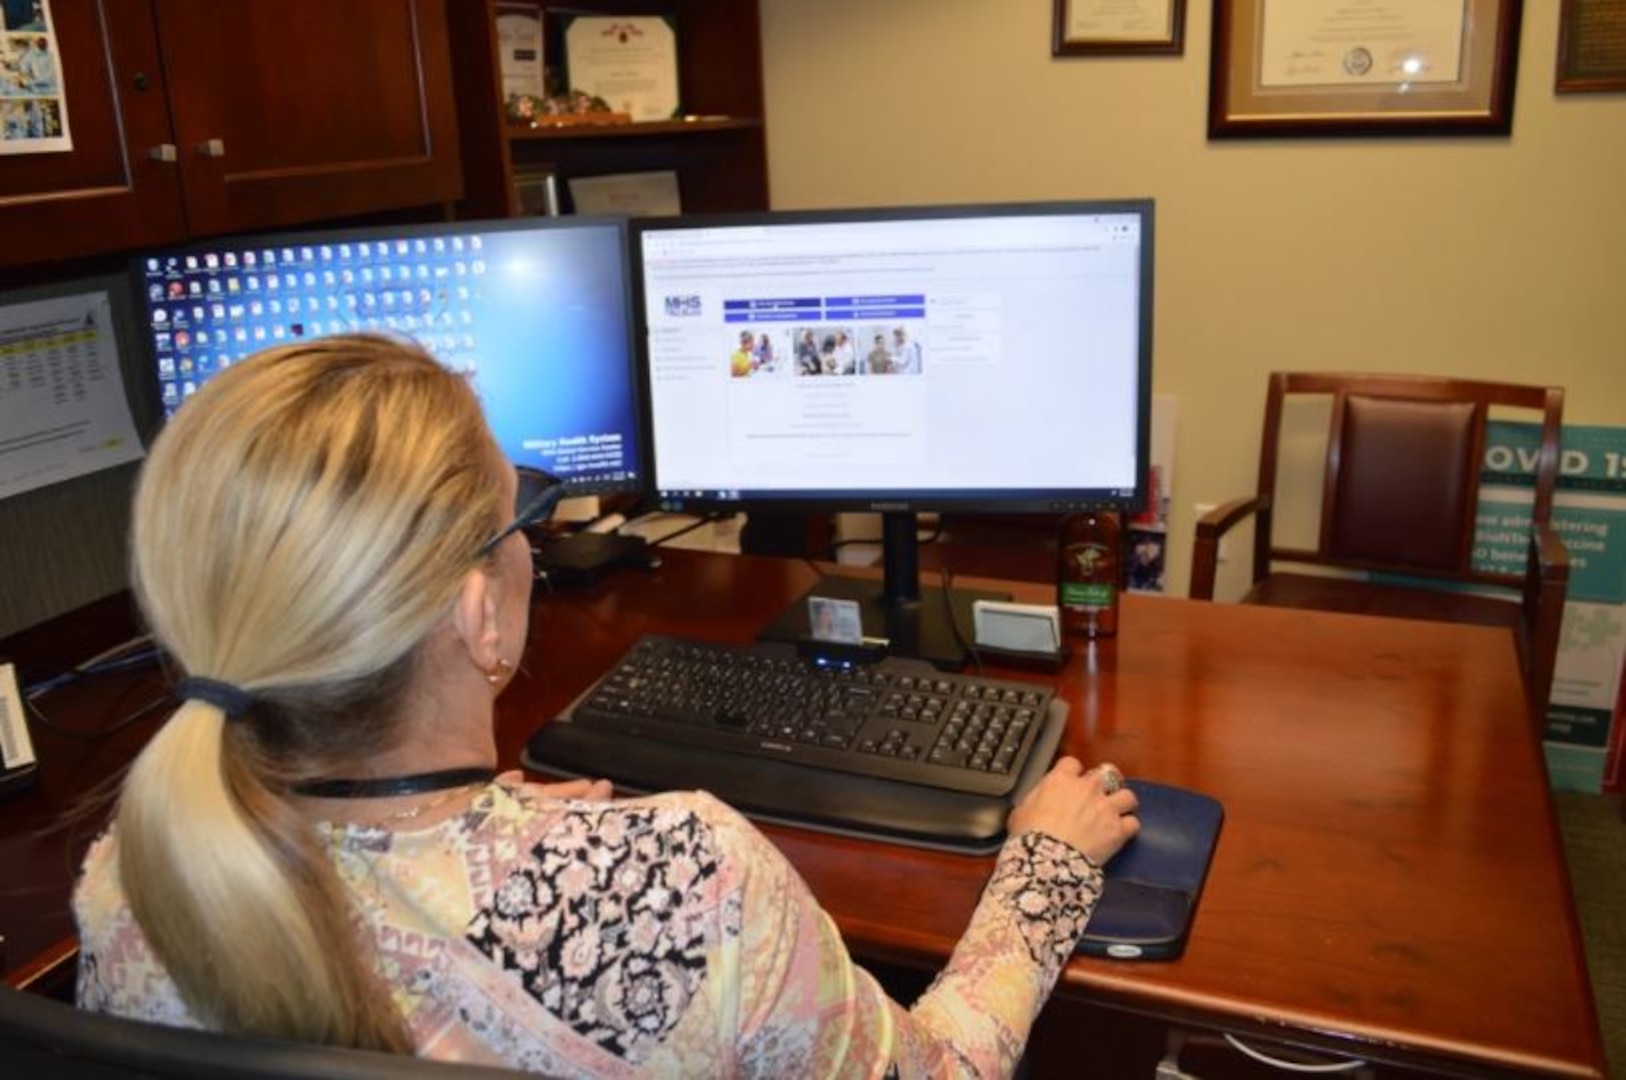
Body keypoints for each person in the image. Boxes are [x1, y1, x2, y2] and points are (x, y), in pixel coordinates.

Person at [73, 334, 1140, 1075]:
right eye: (516, 522)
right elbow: (938, 1071)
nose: (535, 545)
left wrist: (493, 818)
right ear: (478, 616)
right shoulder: (683, 876)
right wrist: (1045, 870)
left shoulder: (142, 865)